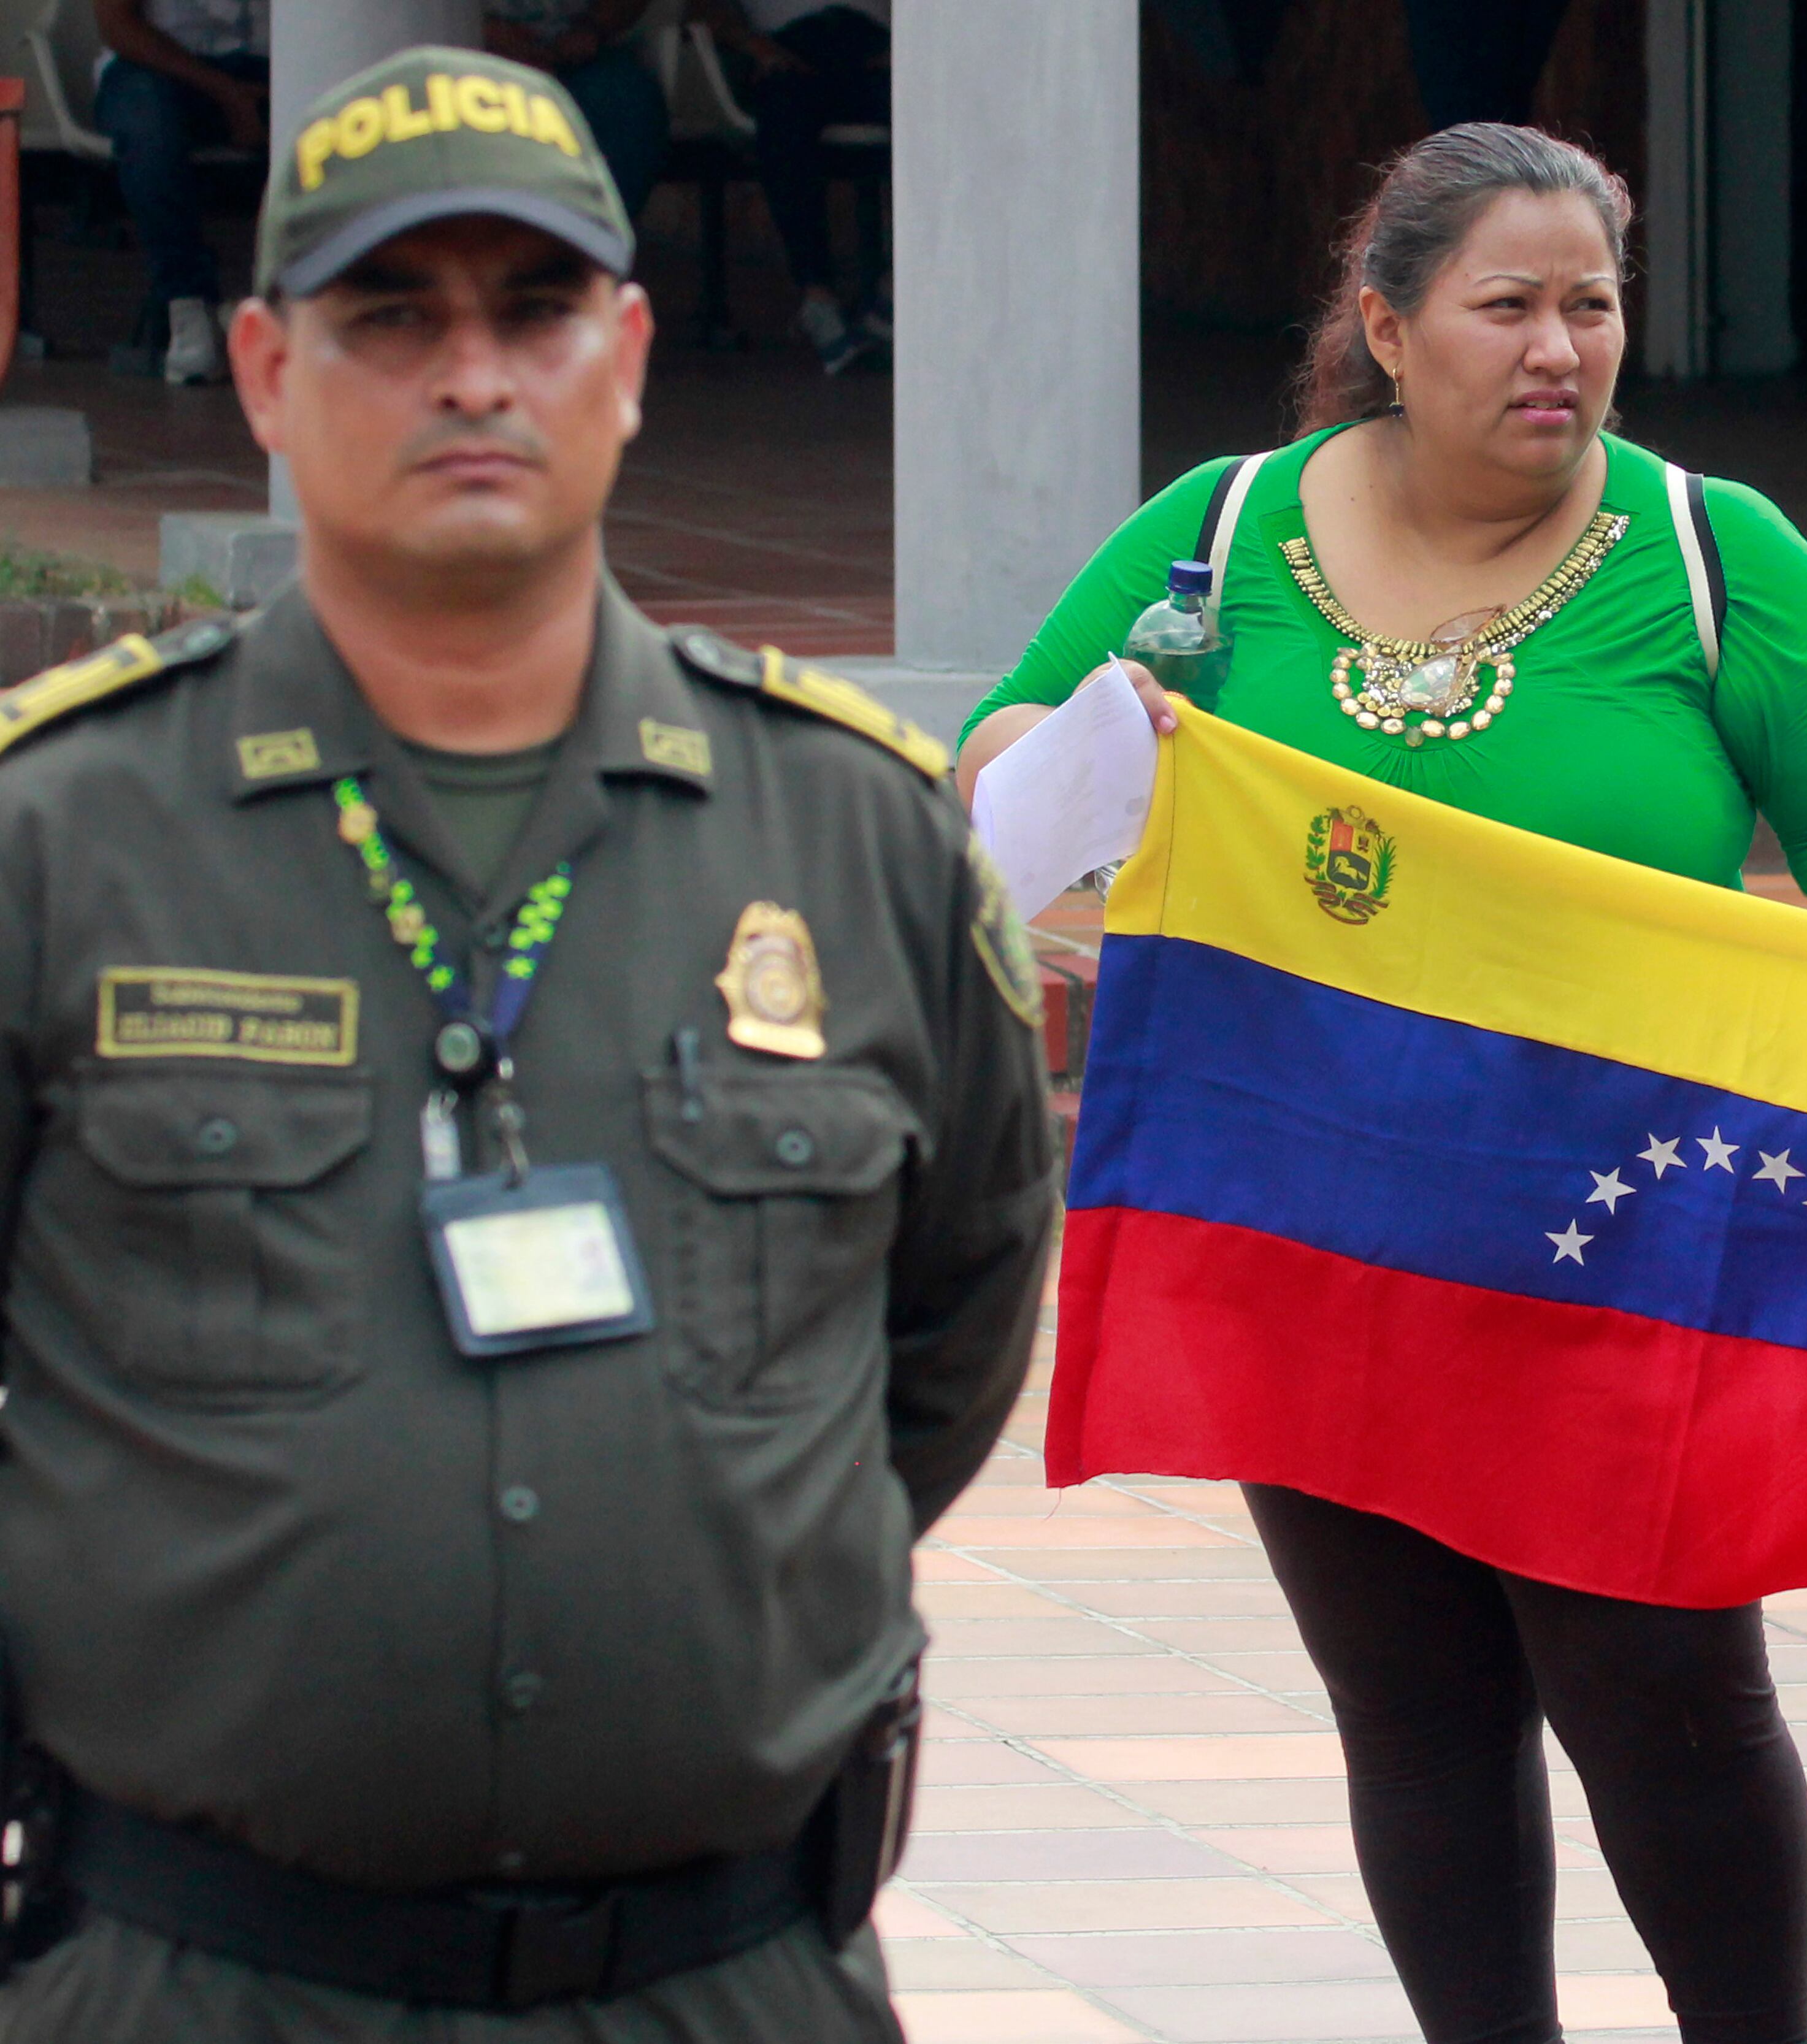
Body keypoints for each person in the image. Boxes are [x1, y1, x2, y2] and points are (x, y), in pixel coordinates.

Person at [957, 123, 1807, 2044]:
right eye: (1504, 305)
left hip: (1621, 1239)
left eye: (1589, 307)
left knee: (1665, 1697)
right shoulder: (1218, 530)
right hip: (1316, 1221)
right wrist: (1112, 736)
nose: (1557, 348)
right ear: (1385, 321)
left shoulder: (1709, 554)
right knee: (1411, 1710)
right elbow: (1000, 765)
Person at [0, 47, 1054, 2038]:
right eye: (390, 316)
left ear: (630, 354)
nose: (473, 374)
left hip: (724, 1979)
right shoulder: (62, 837)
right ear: (261, 370)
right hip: (193, 1978)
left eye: (537, 308)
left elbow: (947, 1332)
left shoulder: (860, 839)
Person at [694, 0, 891, 373]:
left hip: (873, 47)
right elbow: (706, 9)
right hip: (790, 50)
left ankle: (898, 290)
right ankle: (817, 295)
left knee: (939, 102)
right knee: (782, 110)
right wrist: (757, 47)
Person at [90, 0, 269, 385]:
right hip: (159, 63)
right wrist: (228, 92)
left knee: (339, 113)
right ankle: (188, 305)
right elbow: (118, 27)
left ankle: (292, 304)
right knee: (149, 127)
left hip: (268, 61)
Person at [484, 0, 667, 224]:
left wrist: (591, 29)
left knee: (627, 100)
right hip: (478, 63)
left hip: (588, 61)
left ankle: (598, 238)